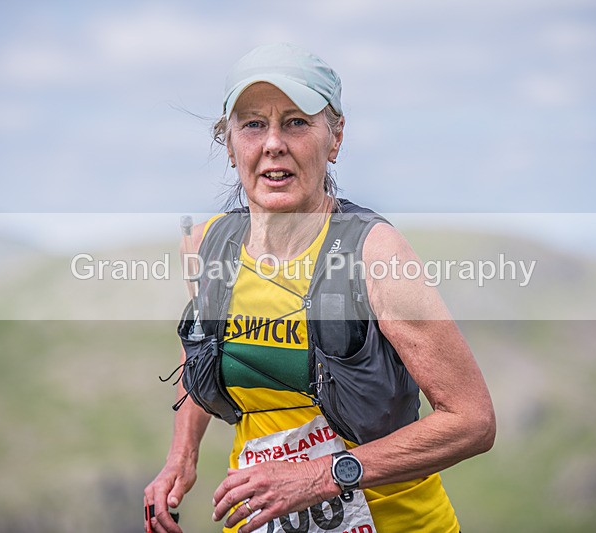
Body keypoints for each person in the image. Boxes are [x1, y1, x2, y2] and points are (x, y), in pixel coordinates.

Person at [144, 43, 495, 533]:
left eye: (296, 122)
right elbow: (201, 352)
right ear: (228, 144)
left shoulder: (375, 254)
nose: (272, 144)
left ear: (334, 138)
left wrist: (320, 477)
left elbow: (472, 421)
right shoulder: (207, 247)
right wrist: (182, 457)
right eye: (252, 124)